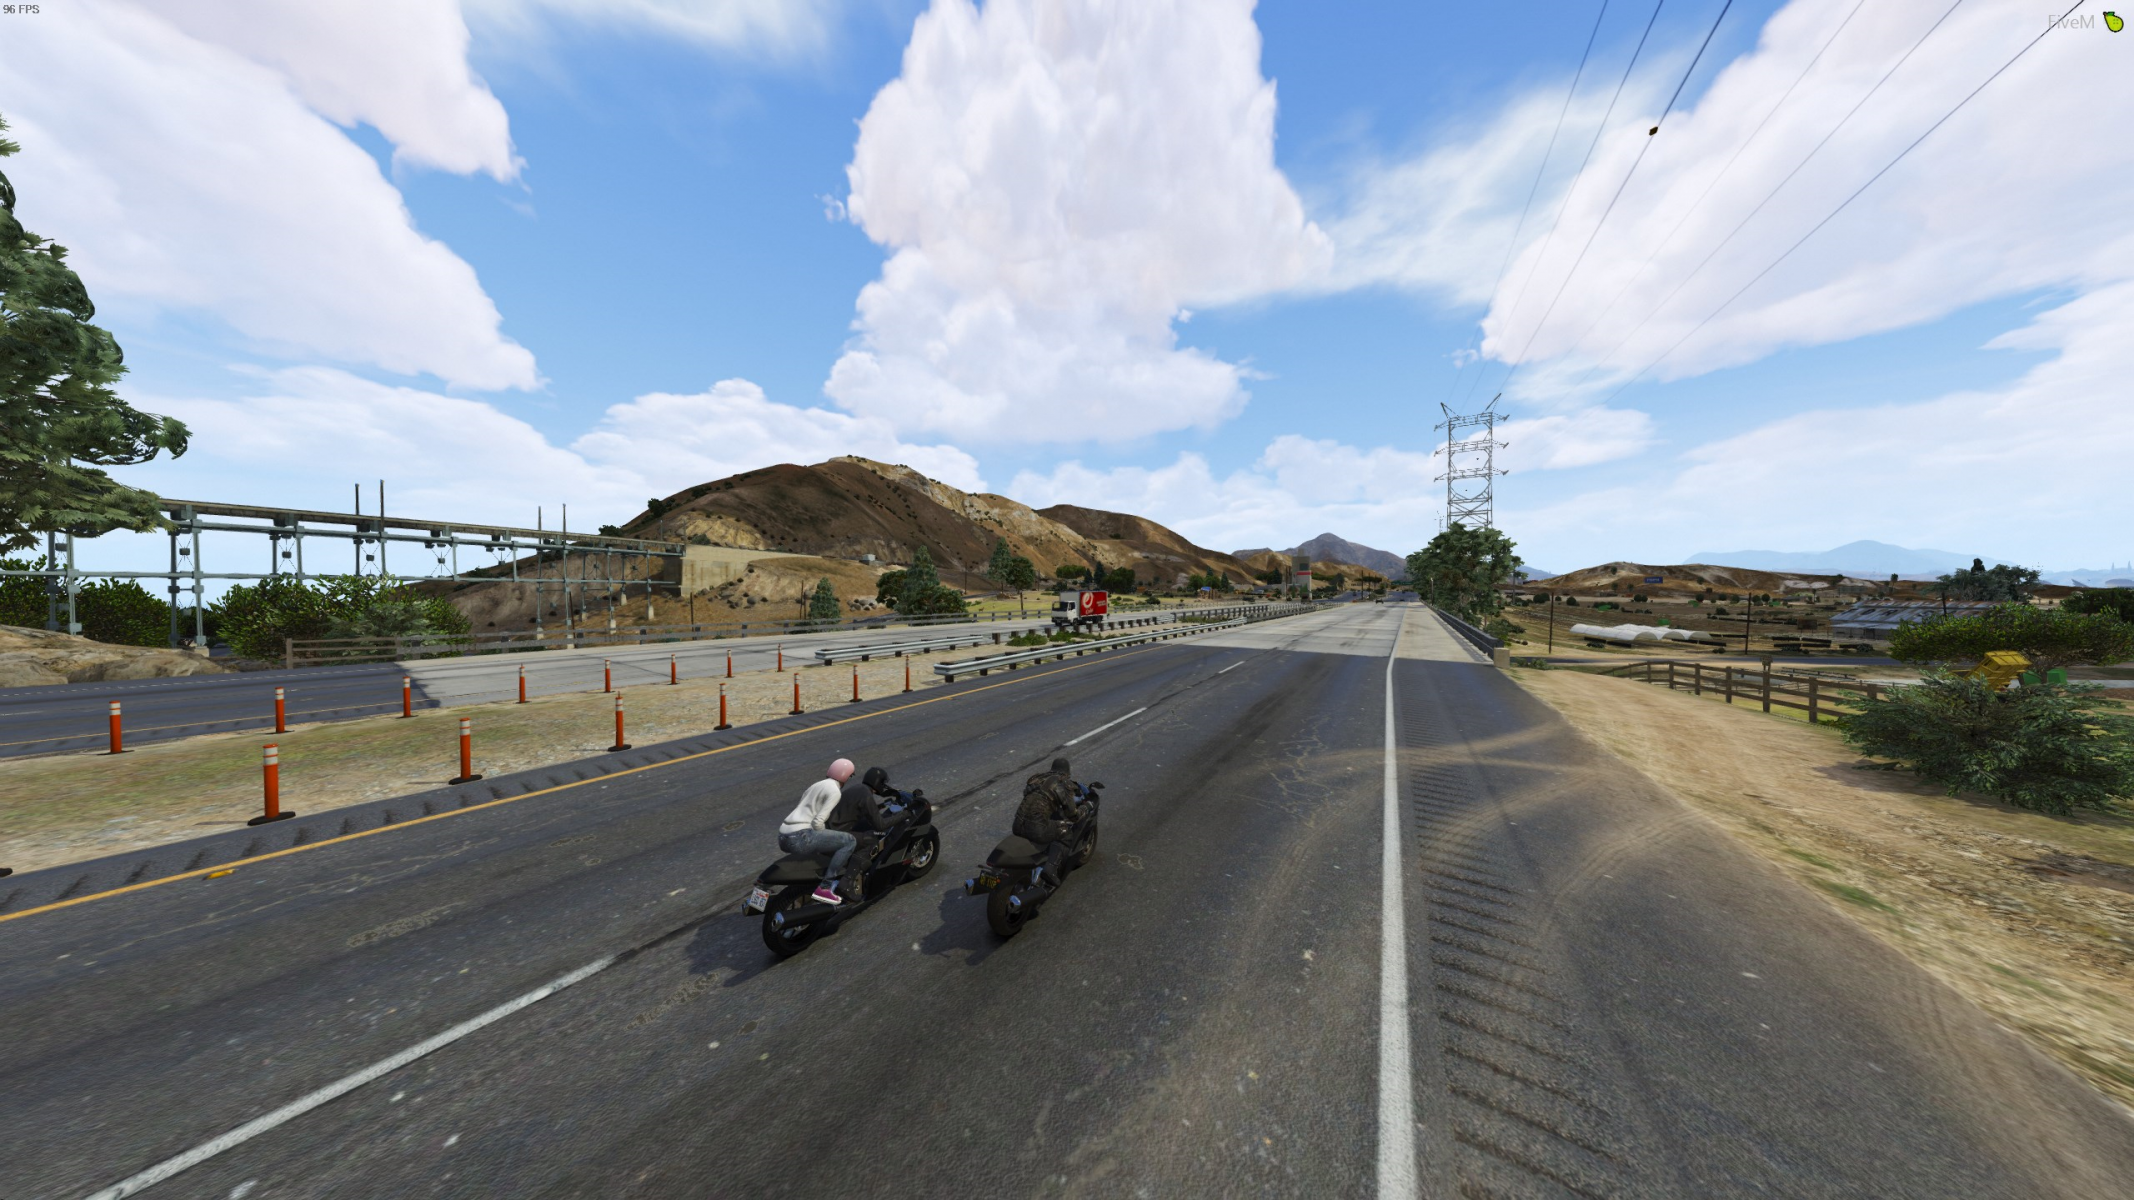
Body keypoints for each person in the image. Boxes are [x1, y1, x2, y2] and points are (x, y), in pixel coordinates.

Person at [779, 758, 858, 905]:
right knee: (849, 841)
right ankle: (825, 887)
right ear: (846, 776)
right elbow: (818, 821)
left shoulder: (815, 786)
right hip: (800, 836)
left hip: (783, 835)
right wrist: (826, 835)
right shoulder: (834, 791)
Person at [1012, 756, 1087, 888]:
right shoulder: (1063, 782)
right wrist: (1084, 809)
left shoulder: (1036, 779)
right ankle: (1050, 869)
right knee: (1066, 832)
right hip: (1036, 828)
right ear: (1067, 772)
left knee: (1047, 824)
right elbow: (1073, 815)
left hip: (1017, 824)